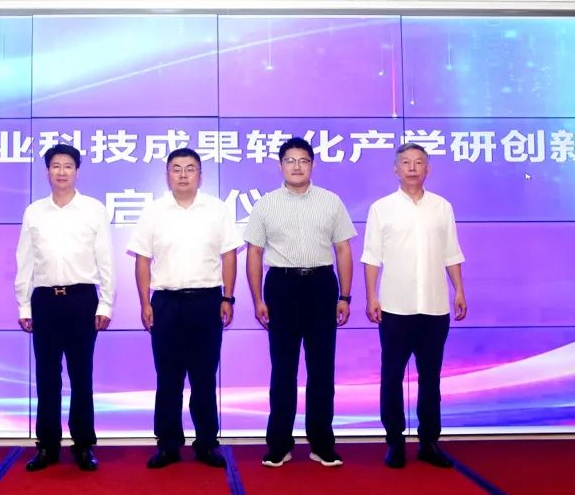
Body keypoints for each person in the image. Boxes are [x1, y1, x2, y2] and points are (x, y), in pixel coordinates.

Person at [127, 147, 242, 469]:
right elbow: (142, 260)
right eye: (176, 168)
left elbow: (229, 255)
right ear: (167, 174)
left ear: (200, 175)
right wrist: (145, 302)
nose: (183, 175)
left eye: (190, 168)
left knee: (204, 377)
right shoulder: (154, 211)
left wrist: (228, 298)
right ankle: (168, 445)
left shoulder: (216, 209)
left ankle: (206, 444)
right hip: (166, 303)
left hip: (207, 302)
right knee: (168, 378)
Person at [244, 136, 356, 468]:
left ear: (312, 165)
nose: (296, 166)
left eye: (303, 160)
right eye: (290, 160)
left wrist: (345, 296)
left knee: (322, 370)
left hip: (321, 286)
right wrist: (258, 299)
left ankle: (322, 443)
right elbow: (254, 253)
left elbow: (343, 250)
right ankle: (279, 444)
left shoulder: (331, 201)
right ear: (280, 165)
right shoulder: (266, 204)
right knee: (283, 370)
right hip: (282, 287)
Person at [361, 142, 467, 469]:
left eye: (418, 162)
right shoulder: (381, 208)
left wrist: (459, 291)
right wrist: (371, 296)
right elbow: (371, 257)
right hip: (395, 307)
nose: (411, 168)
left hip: (434, 307)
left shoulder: (442, 207)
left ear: (427, 169)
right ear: (395, 169)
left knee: (430, 378)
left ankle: (429, 442)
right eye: (405, 162)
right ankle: (394, 442)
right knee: (392, 376)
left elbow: (451, 253)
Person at [15, 143, 114, 472]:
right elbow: (25, 261)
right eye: (55, 166)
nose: (61, 172)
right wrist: (24, 305)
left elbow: (105, 258)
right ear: (47, 171)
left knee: (81, 375)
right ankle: (47, 445)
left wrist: (106, 302)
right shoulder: (34, 212)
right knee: (46, 376)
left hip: (82, 300)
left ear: (77, 171)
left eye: (68, 166)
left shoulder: (93, 209)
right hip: (44, 300)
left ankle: (83, 445)